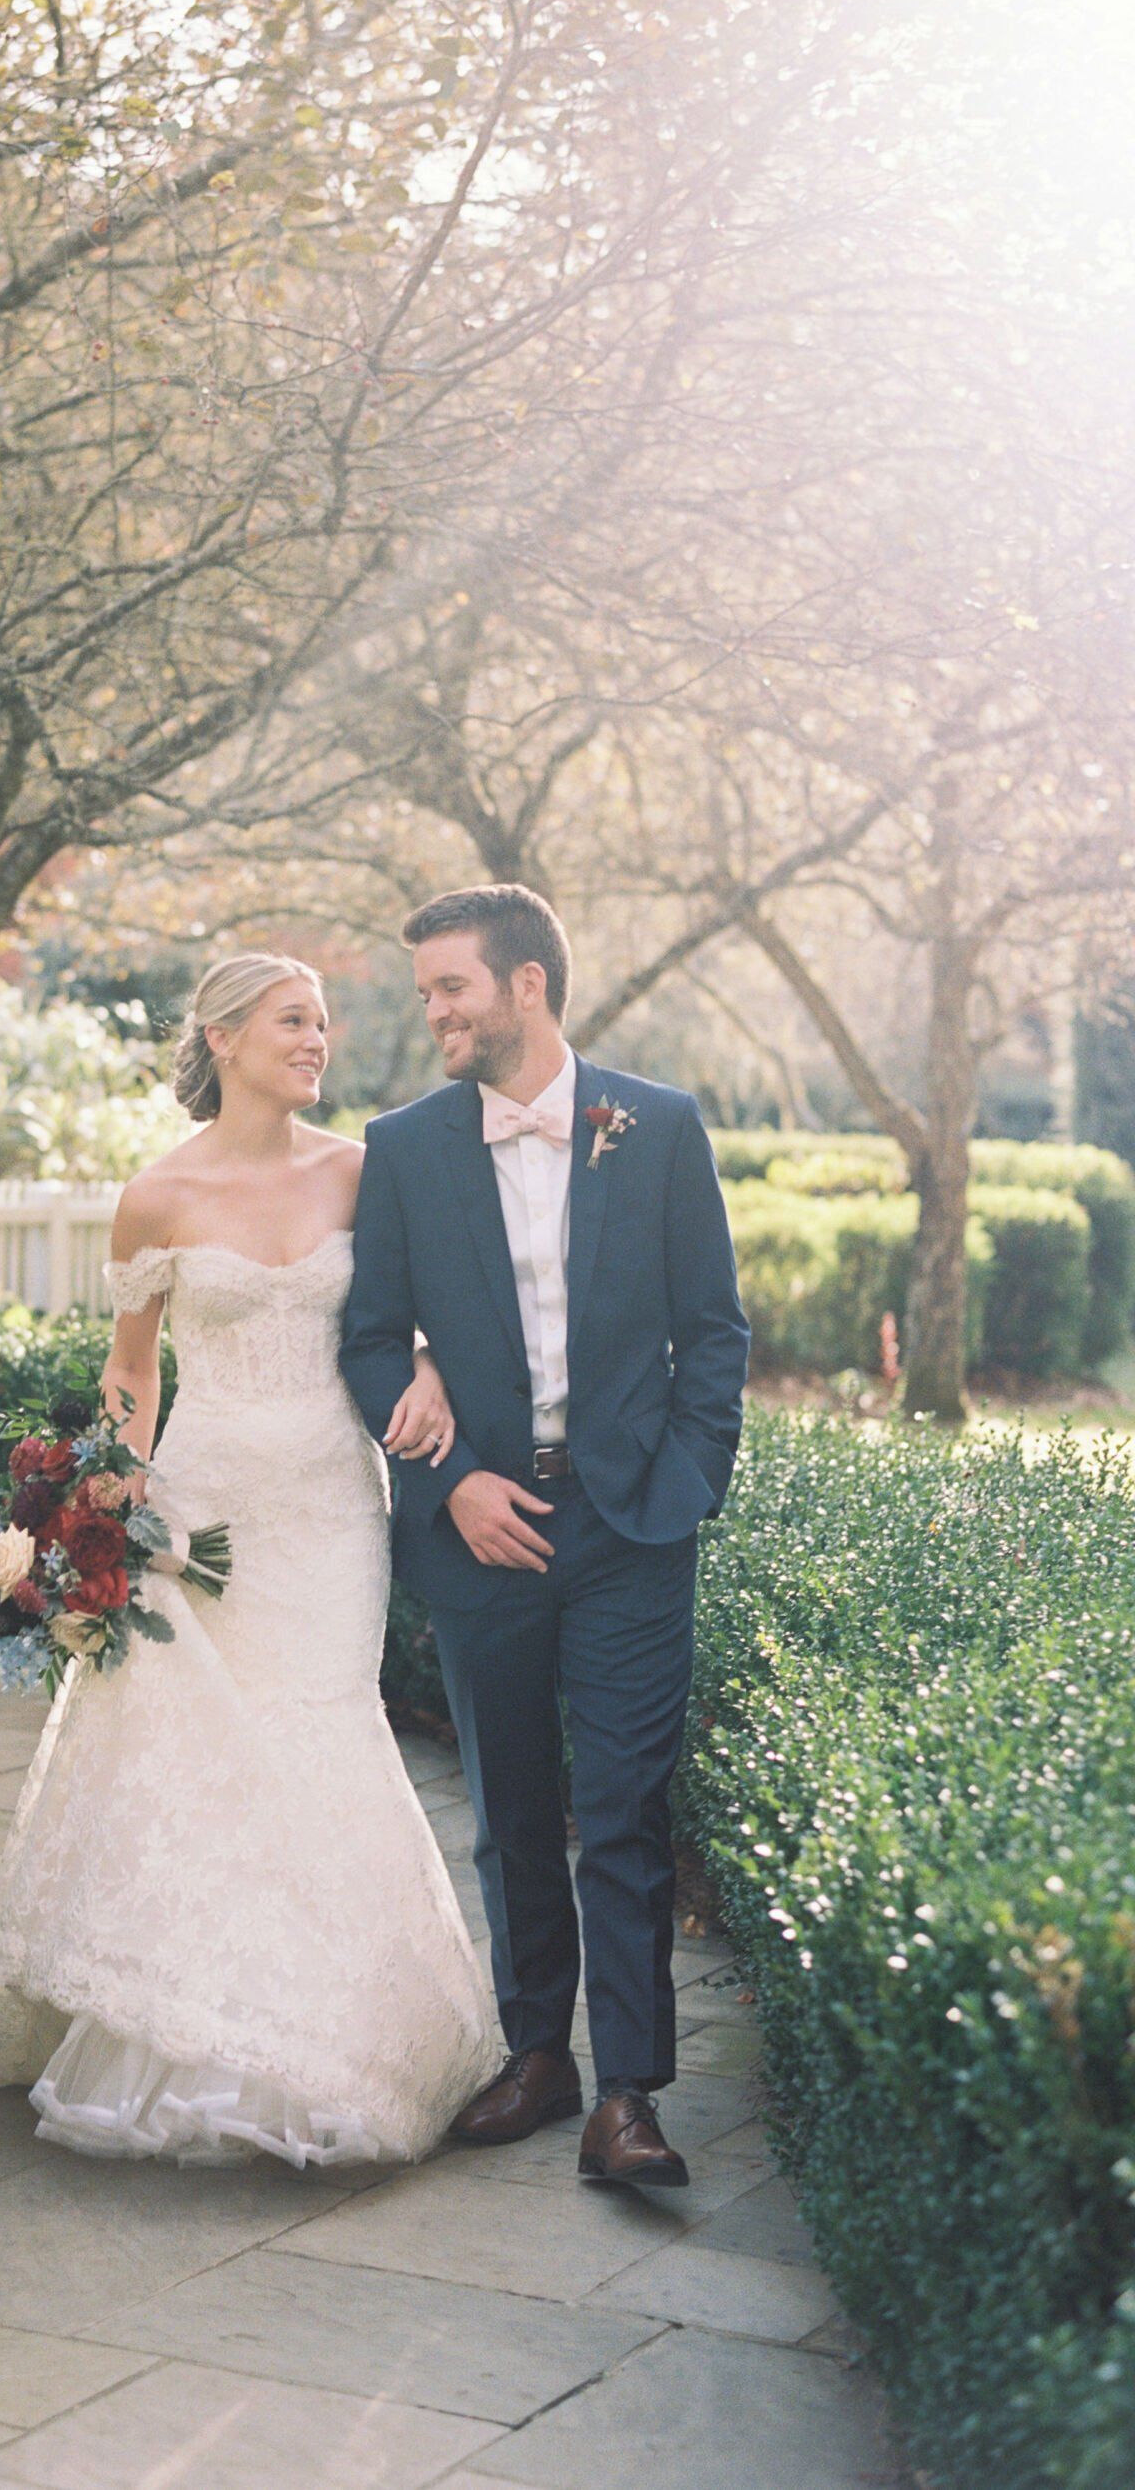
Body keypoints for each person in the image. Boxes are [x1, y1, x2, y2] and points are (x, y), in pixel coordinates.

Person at [0, 951, 496, 2164]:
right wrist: (114, 1493)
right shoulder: (158, 1195)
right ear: (223, 1036)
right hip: (207, 1503)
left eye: (323, 1023)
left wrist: (435, 1366)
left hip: (333, 1503)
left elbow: (412, 1316)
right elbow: (131, 1368)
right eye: (293, 1019)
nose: (316, 1040)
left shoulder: (363, 1172)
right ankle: (200, 2031)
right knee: (205, 1750)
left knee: (325, 1719)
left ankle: (344, 2031)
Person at [340, 885, 749, 2189]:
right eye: (426, 993)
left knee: (623, 1807)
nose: (436, 1012)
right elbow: (366, 1336)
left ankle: (627, 2092)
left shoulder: (659, 1126)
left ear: (527, 984)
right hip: (480, 1529)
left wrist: (688, 1477)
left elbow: (716, 1328)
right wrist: (451, 1475)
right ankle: (537, 2053)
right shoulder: (404, 1146)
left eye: (450, 986)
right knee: (512, 1807)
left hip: (632, 1526)